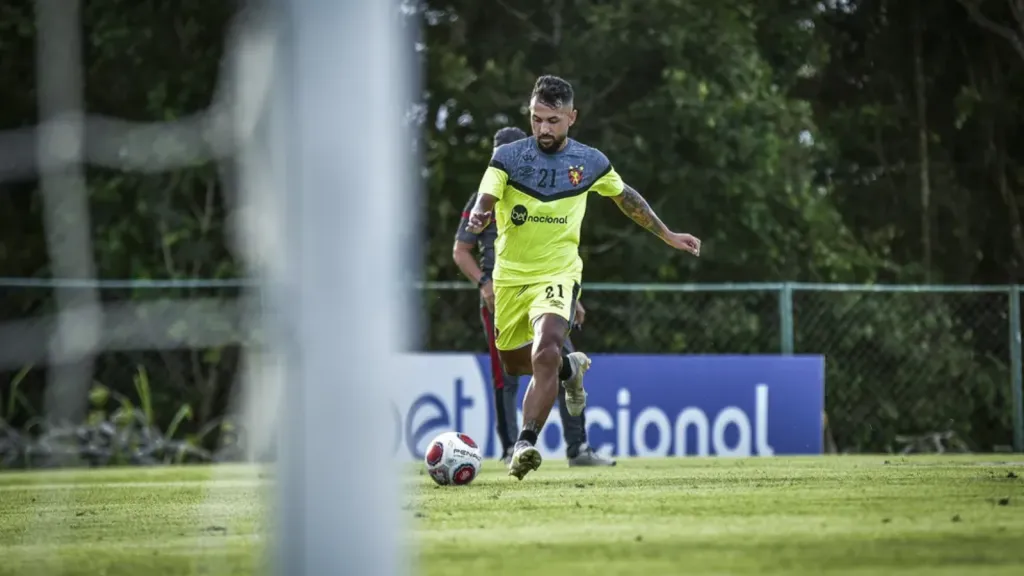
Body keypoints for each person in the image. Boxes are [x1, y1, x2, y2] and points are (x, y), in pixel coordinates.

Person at [465, 75, 701, 480]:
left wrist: (667, 235)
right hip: (510, 279)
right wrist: (481, 212)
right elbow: (487, 193)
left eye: (553, 120)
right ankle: (569, 372)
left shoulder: (590, 162)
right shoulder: (507, 157)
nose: (543, 128)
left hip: (559, 272)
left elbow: (626, 197)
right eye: (537, 119)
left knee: (547, 349)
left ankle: (525, 443)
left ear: (572, 117)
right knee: (517, 364)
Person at [453, 126, 616, 468]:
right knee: (509, 371)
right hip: (502, 290)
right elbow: (461, 249)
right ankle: (510, 445)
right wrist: (484, 283)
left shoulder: (547, 185)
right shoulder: (482, 197)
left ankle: (575, 448)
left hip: (548, 284)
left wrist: (574, 297)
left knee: (553, 352)